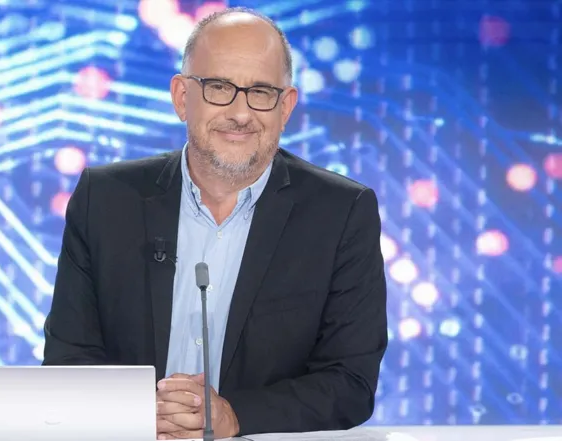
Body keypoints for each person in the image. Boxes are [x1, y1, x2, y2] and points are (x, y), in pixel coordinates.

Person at [42, 6, 388, 440]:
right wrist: (138, 413)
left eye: (261, 92)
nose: (240, 113)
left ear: (286, 107)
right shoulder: (106, 200)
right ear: (181, 97)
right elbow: (68, 362)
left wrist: (234, 416)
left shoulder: (341, 213)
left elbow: (350, 383)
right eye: (219, 88)